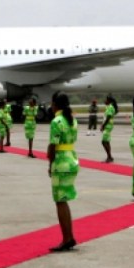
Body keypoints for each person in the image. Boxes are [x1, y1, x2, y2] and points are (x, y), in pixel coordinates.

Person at [47, 91, 79, 252]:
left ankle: (67, 238)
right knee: (64, 199)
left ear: (55, 104)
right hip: (72, 159)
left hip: (61, 162)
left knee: (60, 201)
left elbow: (53, 145)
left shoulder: (57, 121)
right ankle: (69, 236)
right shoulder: (72, 120)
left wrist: (49, 163)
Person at [99, 96, 117, 163]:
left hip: (108, 125)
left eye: (106, 100)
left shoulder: (110, 107)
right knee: (106, 141)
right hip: (108, 125)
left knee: (104, 141)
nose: (104, 101)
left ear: (109, 101)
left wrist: (103, 126)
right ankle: (110, 156)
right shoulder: (109, 107)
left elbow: (108, 117)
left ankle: (109, 157)